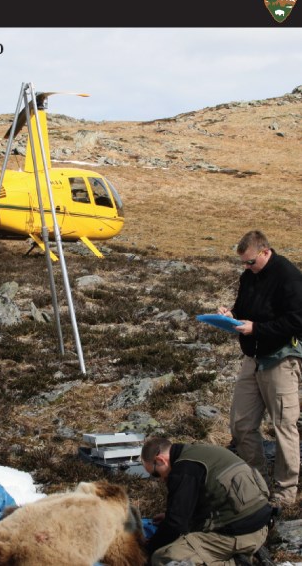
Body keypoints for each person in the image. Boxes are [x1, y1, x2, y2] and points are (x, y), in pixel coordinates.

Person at [218, 230, 302, 506]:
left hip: (281, 359)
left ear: (266, 252)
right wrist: (231, 317)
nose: (246, 267)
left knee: (284, 426)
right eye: (243, 263)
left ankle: (285, 491)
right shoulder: (248, 276)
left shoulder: (288, 276)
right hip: (252, 358)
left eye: (251, 262)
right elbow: (244, 309)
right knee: (241, 424)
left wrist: (258, 328)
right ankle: (257, 482)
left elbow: (297, 320)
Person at [141, 437, 272, 566]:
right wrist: (169, 517)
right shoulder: (200, 453)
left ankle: (236, 562)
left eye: (155, 474)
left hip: (240, 536)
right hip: (261, 528)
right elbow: (213, 497)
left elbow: (175, 525)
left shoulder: (183, 470)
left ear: (160, 460)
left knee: (162, 557)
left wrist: (146, 551)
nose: (160, 479)